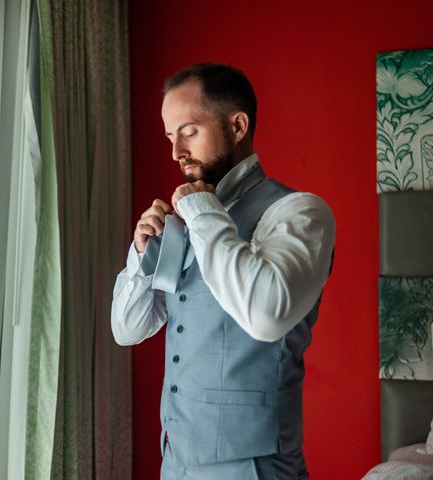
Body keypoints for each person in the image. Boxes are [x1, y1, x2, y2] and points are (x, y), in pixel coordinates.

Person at [110, 63, 335, 479]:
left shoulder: (299, 212)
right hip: (175, 463)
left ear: (237, 125)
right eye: (169, 136)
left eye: (189, 132)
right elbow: (128, 329)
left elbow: (266, 316)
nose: (176, 152)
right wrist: (140, 255)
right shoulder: (190, 221)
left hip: (253, 466)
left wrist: (201, 212)